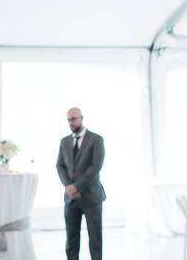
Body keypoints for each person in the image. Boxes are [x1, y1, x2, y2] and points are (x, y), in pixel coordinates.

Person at [56, 107, 105, 260]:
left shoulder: (96, 139)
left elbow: (95, 166)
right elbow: (60, 165)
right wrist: (68, 186)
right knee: (71, 239)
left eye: (74, 119)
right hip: (71, 199)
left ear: (81, 118)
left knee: (95, 238)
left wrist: (76, 186)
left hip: (91, 197)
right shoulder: (64, 142)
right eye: (69, 120)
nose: (71, 122)